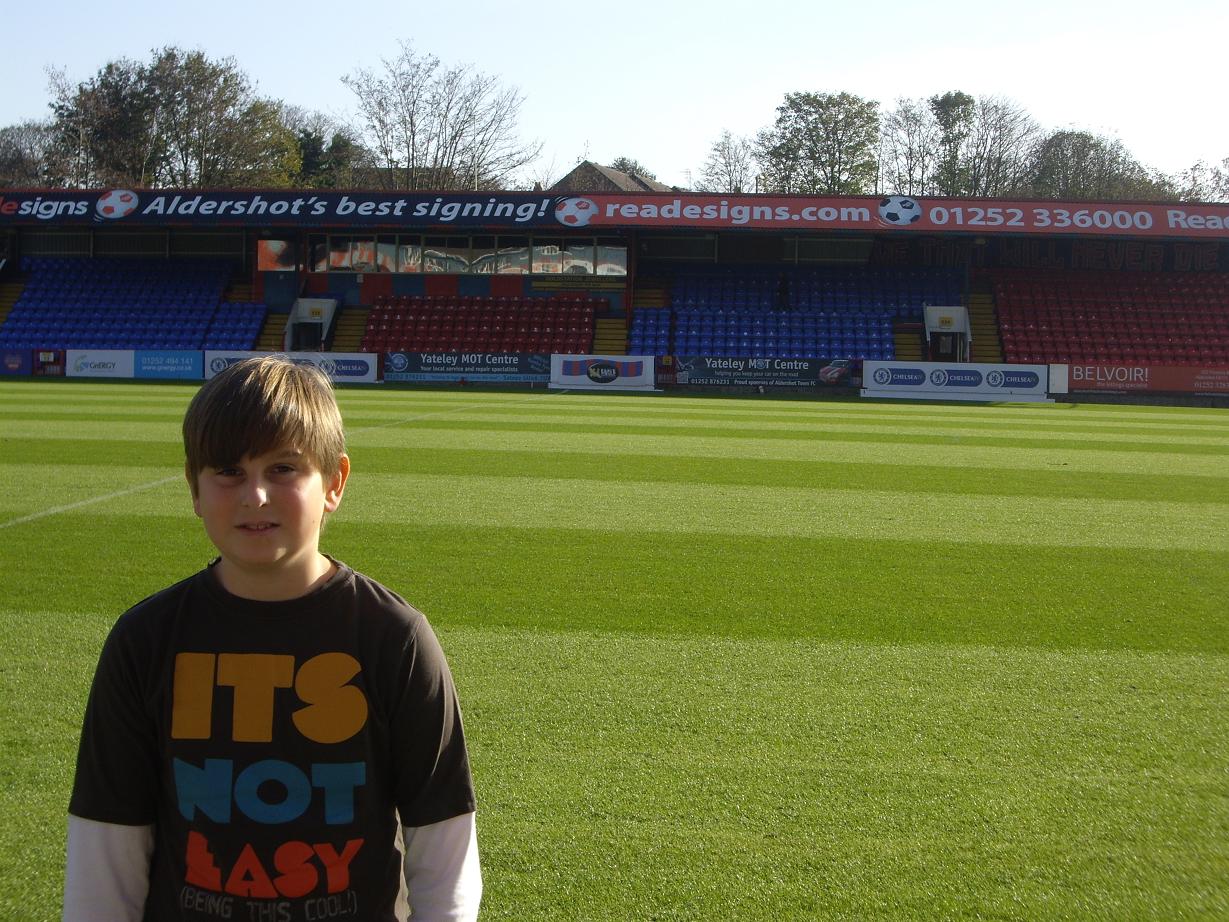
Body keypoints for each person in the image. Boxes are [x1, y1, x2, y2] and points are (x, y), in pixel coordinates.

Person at [63, 356, 481, 922]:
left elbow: (443, 842)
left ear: (334, 482)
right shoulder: (145, 640)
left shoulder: (394, 637)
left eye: (283, 468)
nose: (255, 495)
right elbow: (107, 841)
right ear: (193, 487)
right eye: (228, 471)